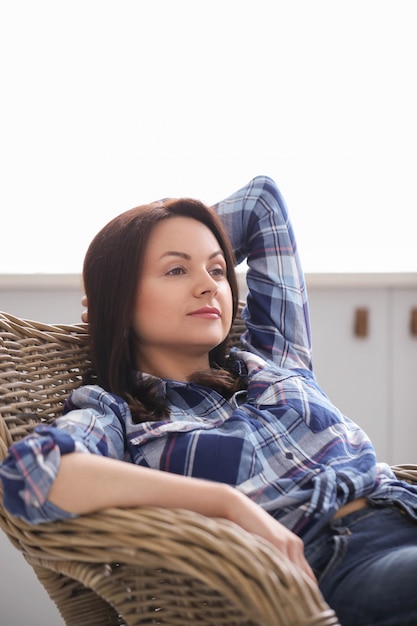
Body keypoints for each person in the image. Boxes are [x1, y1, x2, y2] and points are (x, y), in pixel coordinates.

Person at [1, 175, 417, 625]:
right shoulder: (114, 411)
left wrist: (174, 226)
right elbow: (33, 476)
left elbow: (262, 203)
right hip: (334, 564)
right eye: (176, 270)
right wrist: (224, 502)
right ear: (120, 300)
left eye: (217, 270)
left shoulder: (271, 356)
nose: (209, 286)